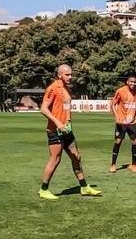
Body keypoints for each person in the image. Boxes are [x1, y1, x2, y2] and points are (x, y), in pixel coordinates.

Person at [38, 64, 101, 200]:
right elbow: (43, 108)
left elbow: (65, 108)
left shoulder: (67, 89)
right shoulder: (53, 88)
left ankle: (84, 187)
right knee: (55, 160)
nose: (70, 77)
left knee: (76, 157)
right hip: (55, 130)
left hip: (67, 130)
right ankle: (43, 189)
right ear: (60, 75)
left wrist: (67, 123)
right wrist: (58, 123)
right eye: (67, 75)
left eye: (71, 74)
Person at [109, 76, 136, 172]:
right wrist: (116, 117)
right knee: (118, 141)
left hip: (132, 122)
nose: (133, 84)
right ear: (127, 82)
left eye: (135, 82)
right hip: (121, 122)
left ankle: (134, 165)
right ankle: (113, 164)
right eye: (131, 82)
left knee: (134, 142)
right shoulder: (120, 91)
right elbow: (113, 104)